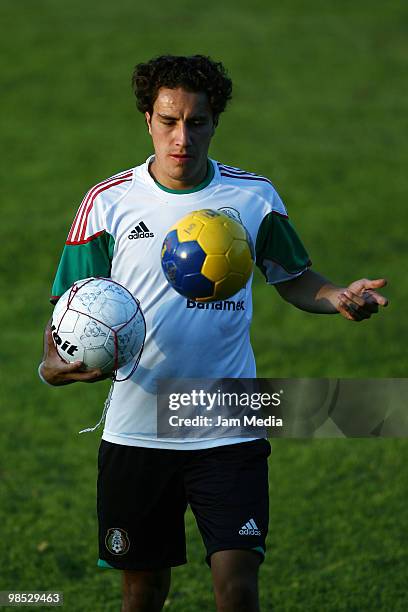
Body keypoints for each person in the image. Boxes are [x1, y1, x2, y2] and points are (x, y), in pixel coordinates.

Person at [39, 55, 388, 612]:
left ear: (214, 122)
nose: (182, 137)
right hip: (138, 428)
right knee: (143, 593)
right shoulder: (107, 203)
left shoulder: (253, 198)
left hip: (228, 421)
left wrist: (338, 297)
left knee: (238, 587)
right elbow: (69, 310)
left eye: (196, 122)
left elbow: (294, 278)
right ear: (147, 121)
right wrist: (51, 364)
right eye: (169, 121)